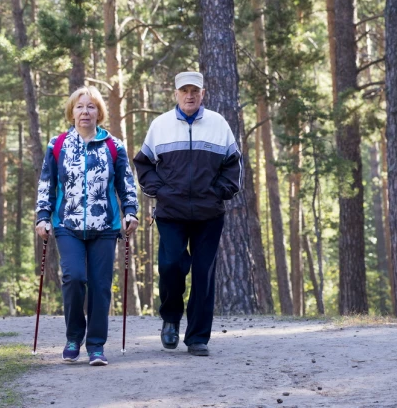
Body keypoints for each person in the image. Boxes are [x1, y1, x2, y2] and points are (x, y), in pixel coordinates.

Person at [133, 71, 242, 356]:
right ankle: (170, 319)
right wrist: (160, 190)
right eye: (185, 90)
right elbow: (143, 163)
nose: (190, 95)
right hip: (171, 212)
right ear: (176, 94)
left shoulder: (218, 124)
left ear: (203, 93)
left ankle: (197, 337)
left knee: (203, 274)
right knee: (171, 266)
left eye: (195, 90)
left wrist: (219, 191)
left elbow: (233, 165)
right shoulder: (161, 125)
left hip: (209, 214)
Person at [35, 86, 139, 366]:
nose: (85, 112)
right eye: (80, 107)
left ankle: (96, 345)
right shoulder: (57, 145)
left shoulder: (113, 146)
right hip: (66, 224)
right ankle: (73, 337)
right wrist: (42, 216)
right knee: (74, 278)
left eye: (91, 107)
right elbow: (47, 184)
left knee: (101, 285)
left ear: (99, 113)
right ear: (72, 112)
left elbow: (125, 183)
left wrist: (131, 212)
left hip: (105, 225)